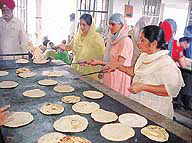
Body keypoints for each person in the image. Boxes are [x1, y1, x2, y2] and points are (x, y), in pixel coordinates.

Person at [104, 25, 184, 119]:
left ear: (154, 43)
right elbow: (135, 71)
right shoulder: (144, 56)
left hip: (156, 110)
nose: (138, 43)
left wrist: (143, 87)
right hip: (139, 104)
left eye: (142, 40)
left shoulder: (166, 63)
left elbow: (170, 90)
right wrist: (117, 66)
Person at [87, 13, 133, 96]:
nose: (110, 27)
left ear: (121, 25)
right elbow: (108, 58)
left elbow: (118, 65)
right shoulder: (112, 40)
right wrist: (101, 66)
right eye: (109, 24)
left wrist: (99, 62)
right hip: (109, 74)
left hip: (119, 77)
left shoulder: (126, 41)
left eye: (113, 24)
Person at [68, 13, 105, 80]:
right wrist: (60, 46)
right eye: (80, 24)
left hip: (91, 72)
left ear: (90, 25)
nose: (81, 27)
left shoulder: (97, 38)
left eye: (84, 25)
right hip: (76, 69)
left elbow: (102, 56)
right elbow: (70, 47)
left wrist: (102, 71)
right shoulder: (77, 36)